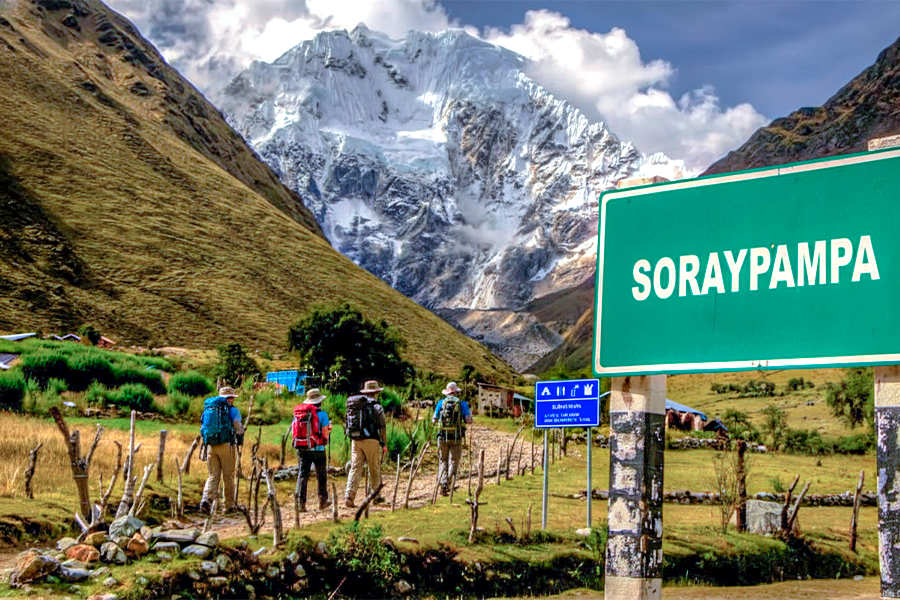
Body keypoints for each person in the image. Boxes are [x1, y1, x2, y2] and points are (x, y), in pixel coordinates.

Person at [200, 387, 244, 514]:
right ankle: (229, 506)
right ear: (230, 398)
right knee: (228, 476)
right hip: (226, 445)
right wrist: (240, 438)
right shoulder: (233, 410)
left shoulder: (210, 408)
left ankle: (206, 499)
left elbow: (202, 425)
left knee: (213, 475)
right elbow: (237, 426)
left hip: (211, 445)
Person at [343, 379, 387, 508]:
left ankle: (349, 496)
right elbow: (382, 426)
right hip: (371, 439)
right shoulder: (376, 406)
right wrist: (384, 443)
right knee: (374, 468)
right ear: (376, 392)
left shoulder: (356, 405)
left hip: (356, 439)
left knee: (355, 468)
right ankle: (376, 496)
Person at [290, 388, 332, 512]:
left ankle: (300, 503)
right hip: (318, 449)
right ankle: (323, 500)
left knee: (303, 474)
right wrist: (329, 429)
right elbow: (325, 434)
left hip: (303, 448)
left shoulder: (300, 414)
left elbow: (294, 431)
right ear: (320, 401)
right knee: (321, 475)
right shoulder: (323, 414)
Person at [432, 381, 472, 496]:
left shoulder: (441, 403)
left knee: (443, 460)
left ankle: (443, 482)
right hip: (456, 437)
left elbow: (434, 419)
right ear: (456, 392)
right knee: (453, 460)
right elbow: (468, 420)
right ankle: (448, 483)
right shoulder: (462, 404)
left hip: (442, 436)